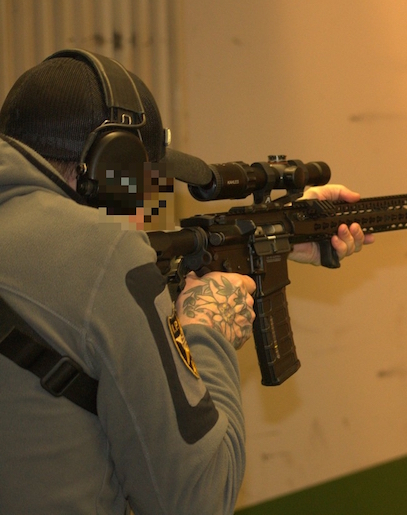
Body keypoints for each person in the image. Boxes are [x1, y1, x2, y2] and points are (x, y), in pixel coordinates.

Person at [0, 49, 372, 514]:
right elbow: (199, 500)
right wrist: (206, 332)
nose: (147, 203)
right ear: (111, 171)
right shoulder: (105, 254)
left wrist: (276, 237)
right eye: (144, 181)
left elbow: (77, 320)